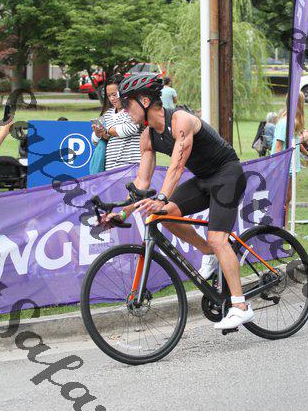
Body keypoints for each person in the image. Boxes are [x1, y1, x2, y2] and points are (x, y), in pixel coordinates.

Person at [104, 73, 252, 331]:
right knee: (164, 216)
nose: (124, 109)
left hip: (228, 175)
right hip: (204, 180)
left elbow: (176, 166)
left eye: (127, 103)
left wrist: (162, 198)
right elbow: (141, 183)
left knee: (218, 238)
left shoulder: (181, 120)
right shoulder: (147, 136)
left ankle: (240, 306)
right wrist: (123, 212)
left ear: (145, 101)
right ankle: (209, 252)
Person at [91, 75, 141, 170]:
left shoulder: (134, 110)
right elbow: (94, 141)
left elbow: (130, 129)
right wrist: (98, 133)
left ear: (124, 91)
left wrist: (107, 131)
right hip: (111, 169)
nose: (112, 99)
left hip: (131, 167)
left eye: (114, 94)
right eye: (109, 95)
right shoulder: (107, 114)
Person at [271, 92, 306, 228]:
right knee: (281, 199)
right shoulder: (285, 122)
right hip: (283, 167)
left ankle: (284, 226)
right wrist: (278, 167)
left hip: (291, 166)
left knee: (287, 198)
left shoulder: (293, 122)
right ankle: (277, 226)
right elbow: (278, 146)